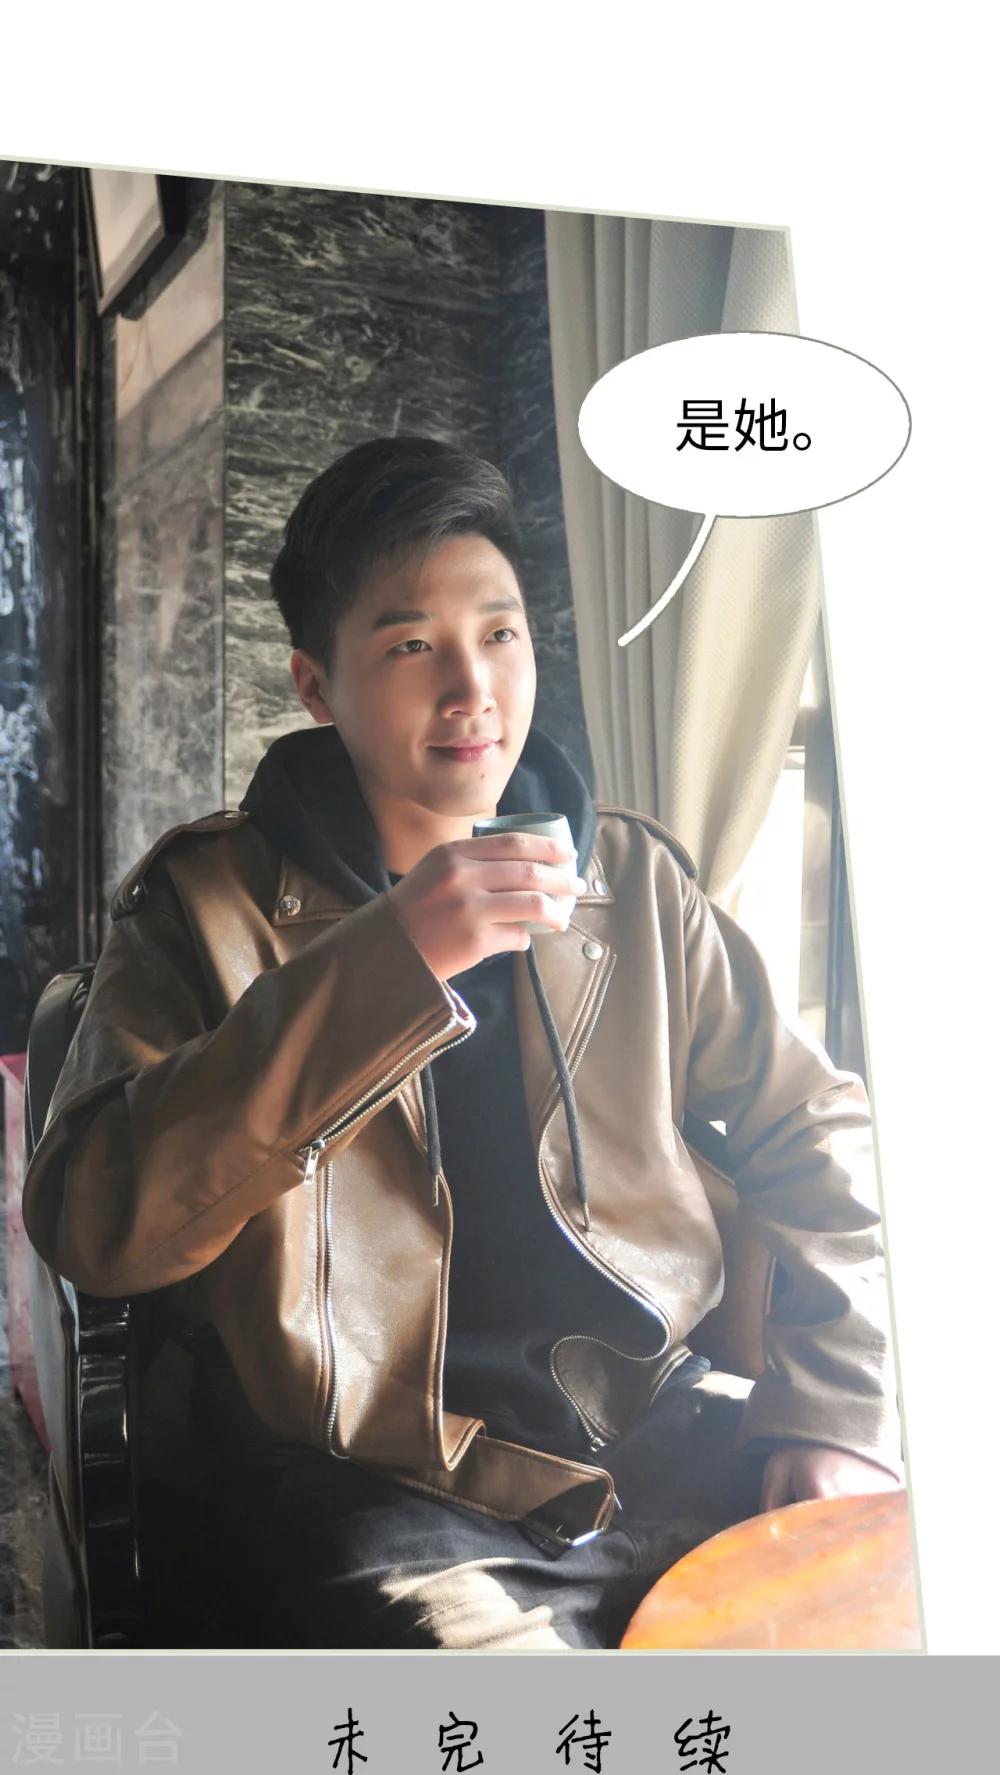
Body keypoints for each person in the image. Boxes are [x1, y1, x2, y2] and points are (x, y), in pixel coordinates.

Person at [22, 435, 901, 1650]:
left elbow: (818, 1123)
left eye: (499, 632)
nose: (471, 686)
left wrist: (832, 1409)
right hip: (371, 1473)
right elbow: (98, 1223)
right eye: (410, 645)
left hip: (651, 1428)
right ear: (316, 685)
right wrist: (389, 961)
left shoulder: (630, 882)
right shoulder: (203, 906)